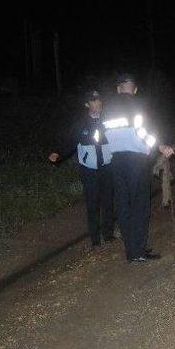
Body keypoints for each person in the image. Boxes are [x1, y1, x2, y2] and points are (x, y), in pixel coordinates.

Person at [102, 74, 175, 263]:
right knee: (140, 205)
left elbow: (100, 137)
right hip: (136, 160)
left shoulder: (107, 109)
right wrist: (160, 146)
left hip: (116, 161)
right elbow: (143, 132)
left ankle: (131, 250)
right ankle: (139, 251)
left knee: (124, 205)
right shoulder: (137, 105)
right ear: (134, 90)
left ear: (118, 89)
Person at [48, 90, 115, 247]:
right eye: (93, 100)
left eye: (99, 100)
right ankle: (95, 240)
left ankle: (109, 235)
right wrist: (58, 153)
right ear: (87, 104)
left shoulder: (109, 121)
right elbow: (69, 141)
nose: (98, 103)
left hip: (107, 167)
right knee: (92, 204)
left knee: (107, 203)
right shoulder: (81, 123)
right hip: (89, 170)